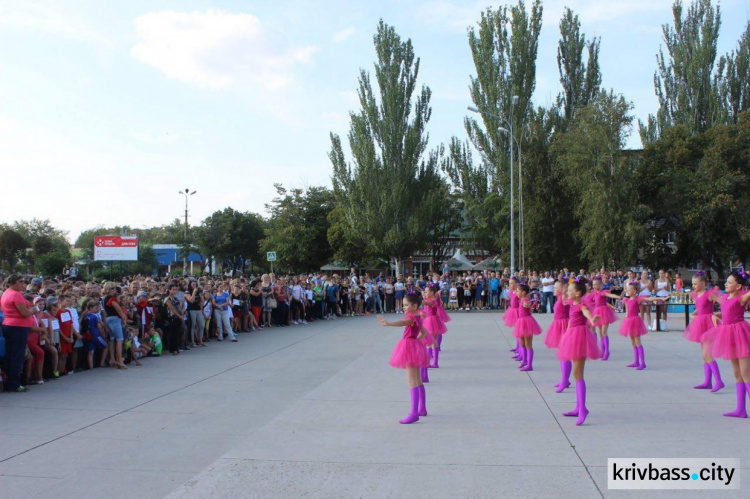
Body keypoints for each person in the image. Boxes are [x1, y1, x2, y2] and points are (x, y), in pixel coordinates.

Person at [701, 270, 750, 418]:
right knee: (737, 373)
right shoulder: (725, 298)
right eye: (726, 282)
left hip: (740, 334)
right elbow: (727, 311)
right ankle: (741, 409)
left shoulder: (742, 298)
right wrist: (717, 316)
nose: (726, 284)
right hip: (728, 334)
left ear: (738, 286)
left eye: (730, 282)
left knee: (746, 373)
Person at [378, 293, 430, 424]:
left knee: (412, 381)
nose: (404, 307)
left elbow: (403, 322)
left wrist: (388, 323)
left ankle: (414, 413)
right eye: (403, 305)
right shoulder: (418, 317)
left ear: (414, 306)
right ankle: (422, 408)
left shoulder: (412, 318)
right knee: (418, 380)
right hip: (414, 346)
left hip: (409, 347)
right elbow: (423, 333)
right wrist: (416, 342)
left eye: (406, 305)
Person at [556, 278, 601, 426]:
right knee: (576, 374)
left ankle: (582, 409)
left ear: (578, 293)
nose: (567, 292)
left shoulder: (581, 305)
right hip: (571, 336)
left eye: (570, 290)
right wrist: (567, 333)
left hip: (580, 337)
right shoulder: (571, 303)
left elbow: (587, 313)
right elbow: (569, 318)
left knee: (578, 373)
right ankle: (578, 407)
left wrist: (593, 319)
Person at [683, 271, 724, 391]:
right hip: (700, 324)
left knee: (707, 354)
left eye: (696, 284)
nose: (694, 286)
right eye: (693, 284)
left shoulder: (709, 294)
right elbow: (700, 309)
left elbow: (724, 303)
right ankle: (707, 381)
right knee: (704, 355)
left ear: (703, 284)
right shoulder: (696, 295)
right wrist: (693, 314)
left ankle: (719, 381)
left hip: (708, 324)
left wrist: (719, 315)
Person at [1, 275, 36, 392]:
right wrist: (33, 310)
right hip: (18, 327)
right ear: (12, 282)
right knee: (17, 356)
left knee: (10, 356)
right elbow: (25, 313)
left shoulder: (6, 292)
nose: (23, 284)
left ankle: (8, 382)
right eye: (20, 282)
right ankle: (14, 384)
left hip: (10, 325)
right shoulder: (16, 295)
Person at [619, 282, 661, 370]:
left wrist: (660, 298)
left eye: (629, 289)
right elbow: (627, 312)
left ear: (634, 291)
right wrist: (625, 320)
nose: (627, 291)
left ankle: (643, 362)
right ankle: (636, 361)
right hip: (629, 321)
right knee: (632, 341)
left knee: (637, 341)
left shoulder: (638, 299)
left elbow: (649, 298)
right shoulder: (627, 300)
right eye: (627, 289)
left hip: (635, 321)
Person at [544, 280, 571, 392]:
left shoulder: (564, 297)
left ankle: (565, 380)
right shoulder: (560, 298)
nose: (554, 289)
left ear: (563, 287)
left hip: (564, 326)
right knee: (561, 354)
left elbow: (573, 305)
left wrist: (566, 293)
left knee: (564, 354)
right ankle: (564, 379)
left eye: (556, 287)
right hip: (558, 325)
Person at [513, 284, 543, 371]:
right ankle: (524, 360)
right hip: (521, 321)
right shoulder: (522, 299)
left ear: (523, 292)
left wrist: (529, 305)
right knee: (522, 342)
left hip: (527, 322)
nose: (517, 292)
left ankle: (529, 364)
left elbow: (528, 308)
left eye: (518, 291)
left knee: (528, 344)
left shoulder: (525, 300)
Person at [590, 276, 620, 361]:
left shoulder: (603, 292)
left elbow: (609, 295)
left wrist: (617, 297)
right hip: (597, 312)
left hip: (604, 312)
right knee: (600, 332)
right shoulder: (594, 293)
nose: (594, 286)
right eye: (593, 284)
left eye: (596, 284)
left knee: (603, 332)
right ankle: (603, 351)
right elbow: (600, 302)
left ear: (600, 284)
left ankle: (607, 351)